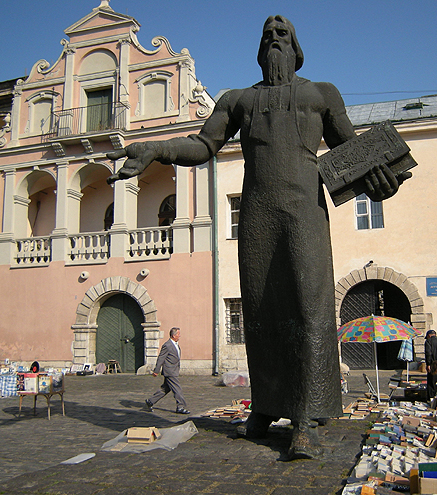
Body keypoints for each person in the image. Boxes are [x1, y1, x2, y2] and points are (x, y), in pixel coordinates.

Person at [108, 16, 409, 459]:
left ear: (296, 46)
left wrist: (385, 177)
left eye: (282, 33)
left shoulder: (321, 94)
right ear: (259, 48)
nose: (274, 37)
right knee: (261, 310)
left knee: (310, 307)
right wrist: (159, 149)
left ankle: (306, 418)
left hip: (305, 211)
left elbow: (354, 153)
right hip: (256, 215)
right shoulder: (238, 99)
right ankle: (267, 407)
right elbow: (203, 145)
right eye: (267, 34)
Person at [146, 327, 189, 415]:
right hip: (170, 371)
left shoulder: (175, 344)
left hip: (174, 370)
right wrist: (156, 370)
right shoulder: (167, 345)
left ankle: (150, 401)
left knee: (165, 388)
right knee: (177, 389)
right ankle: (180, 407)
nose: (179, 336)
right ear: (174, 335)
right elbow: (161, 358)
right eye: (178, 334)